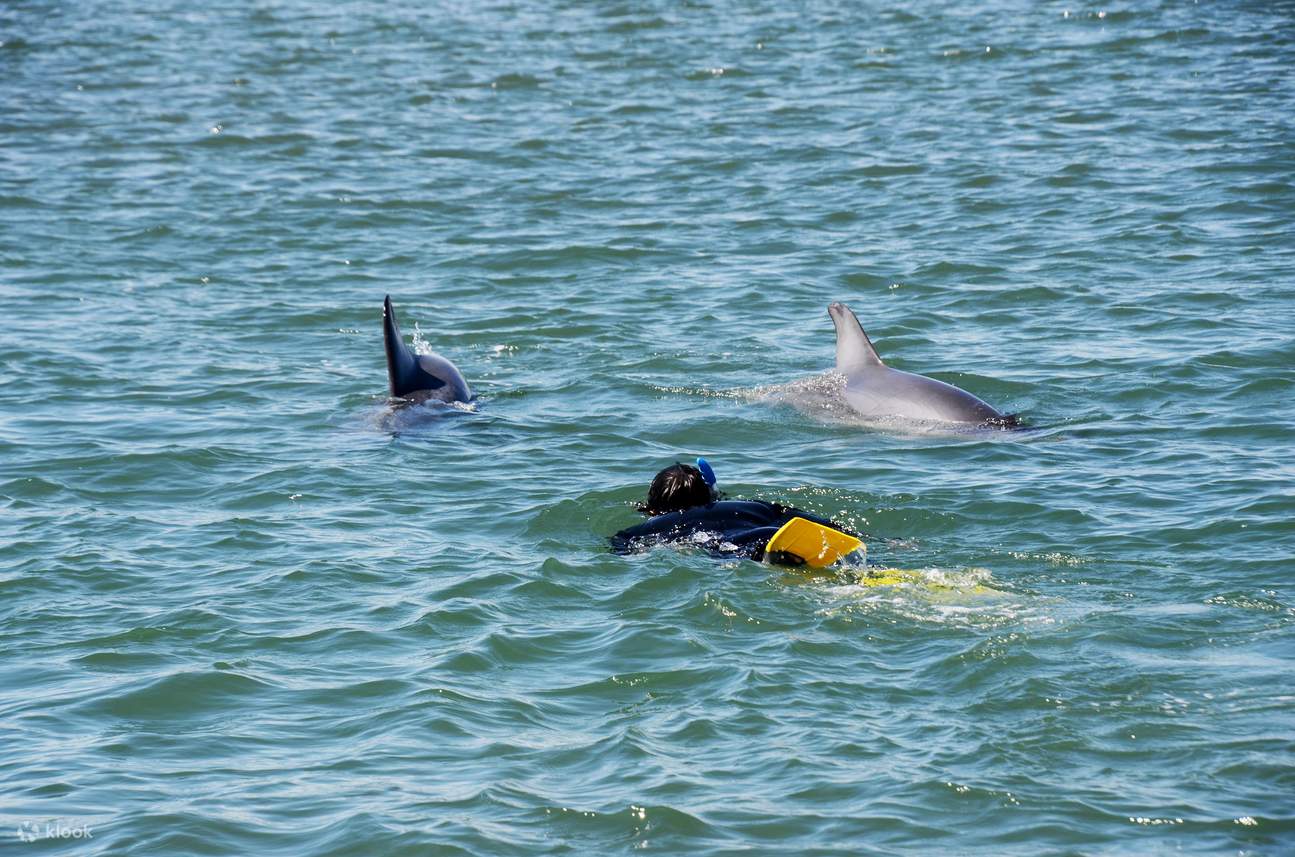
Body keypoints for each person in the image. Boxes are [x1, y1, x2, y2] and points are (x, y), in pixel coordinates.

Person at [610, 461, 860, 565]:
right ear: (711, 495)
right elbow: (831, 527)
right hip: (774, 535)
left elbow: (620, 551)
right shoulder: (753, 506)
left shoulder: (650, 527)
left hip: (737, 549)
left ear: (652, 509)